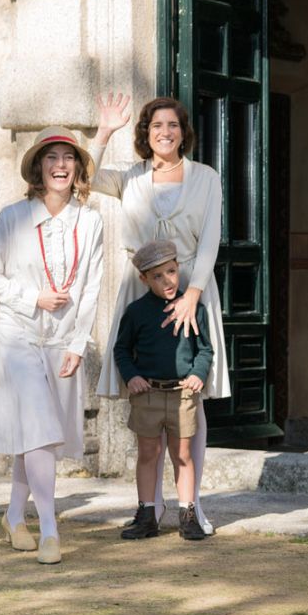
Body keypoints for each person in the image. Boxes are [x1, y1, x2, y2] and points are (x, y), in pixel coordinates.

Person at [89, 95, 229, 537]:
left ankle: (193, 505)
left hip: (193, 285)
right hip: (140, 287)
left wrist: (193, 294)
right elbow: (83, 177)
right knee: (148, 395)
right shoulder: (130, 178)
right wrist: (104, 131)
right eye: (154, 126)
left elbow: (209, 240)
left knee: (191, 397)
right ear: (145, 134)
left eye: (171, 125)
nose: (164, 132)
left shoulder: (205, 177)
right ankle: (150, 505)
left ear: (182, 131)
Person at [0, 128, 105, 565]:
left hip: (62, 338)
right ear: (38, 167)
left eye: (68, 157)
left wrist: (78, 341)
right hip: (19, 335)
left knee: (38, 438)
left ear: (78, 168)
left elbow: (90, 289)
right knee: (37, 427)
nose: (60, 165)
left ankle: (14, 515)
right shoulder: (12, 217)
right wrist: (32, 297)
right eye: (51, 157)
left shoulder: (90, 222)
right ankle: (49, 527)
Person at [112, 239, 215, 542]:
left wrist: (198, 373)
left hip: (183, 394)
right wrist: (131, 376)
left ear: (178, 268)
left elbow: (205, 350)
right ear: (143, 279)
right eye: (157, 276)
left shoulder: (194, 308)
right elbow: (121, 350)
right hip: (148, 395)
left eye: (171, 271)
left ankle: (188, 514)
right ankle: (147, 515)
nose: (167, 280)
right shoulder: (136, 312)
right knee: (148, 453)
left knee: (182, 454)